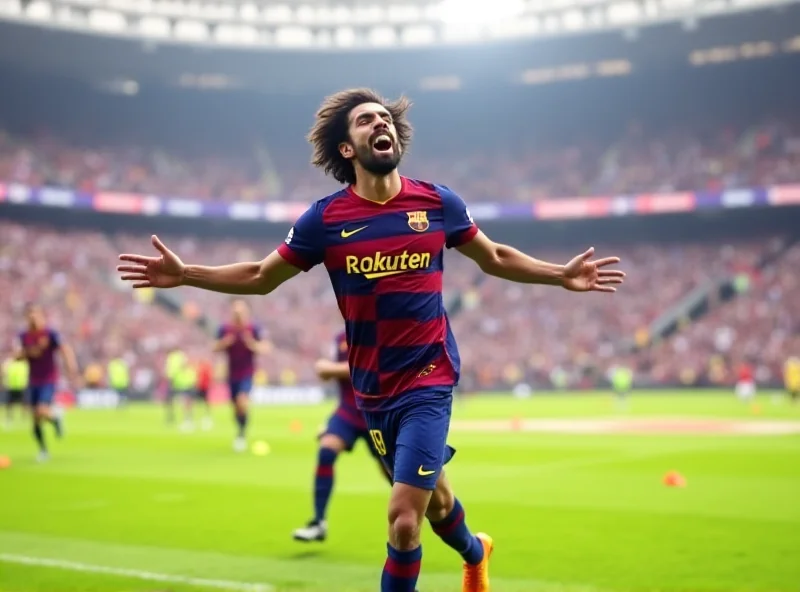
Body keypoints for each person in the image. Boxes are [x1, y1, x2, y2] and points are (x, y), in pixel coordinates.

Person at [116, 88, 625, 592]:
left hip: (429, 376)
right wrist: (186, 276)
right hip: (373, 388)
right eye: (365, 121)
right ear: (346, 148)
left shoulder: (437, 202)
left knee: (404, 519)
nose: (380, 123)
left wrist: (561, 274)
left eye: (385, 118)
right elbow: (259, 275)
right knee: (438, 505)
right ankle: (477, 552)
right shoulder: (325, 219)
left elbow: (495, 257)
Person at [293, 330, 392, 543]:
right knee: (326, 450)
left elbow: (370, 369)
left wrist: (329, 369)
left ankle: (427, 509)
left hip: (376, 412)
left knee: (393, 473)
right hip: (347, 411)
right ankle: (318, 522)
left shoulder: (379, 328)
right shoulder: (340, 337)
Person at [14, 304, 79, 461]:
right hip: (33, 379)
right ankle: (44, 448)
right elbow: (18, 356)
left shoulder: (50, 334)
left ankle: (55, 418)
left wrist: (71, 365)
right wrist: (29, 352)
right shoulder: (24, 336)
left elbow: (64, 349)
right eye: (30, 315)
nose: (33, 318)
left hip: (48, 378)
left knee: (41, 410)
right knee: (35, 419)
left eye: (35, 314)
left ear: (42, 316)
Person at [214, 299, 267, 451]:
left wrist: (252, 344)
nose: (238, 314)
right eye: (235, 311)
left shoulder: (253, 328)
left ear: (246, 312)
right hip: (231, 375)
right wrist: (224, 343)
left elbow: (265, 347)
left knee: (242, 401)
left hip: (247, 373)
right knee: (235, 407)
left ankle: (241, 434)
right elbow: (214, 347)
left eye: (241, 311)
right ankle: (240, 427)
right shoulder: (225, 329)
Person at [2, 353, 29, 426]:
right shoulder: (18, 364)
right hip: (14, 386)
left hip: (19, 386)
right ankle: (10, 417)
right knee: (11, 404)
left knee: (23, 403)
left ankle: (24, 417)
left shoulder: (21, 364)